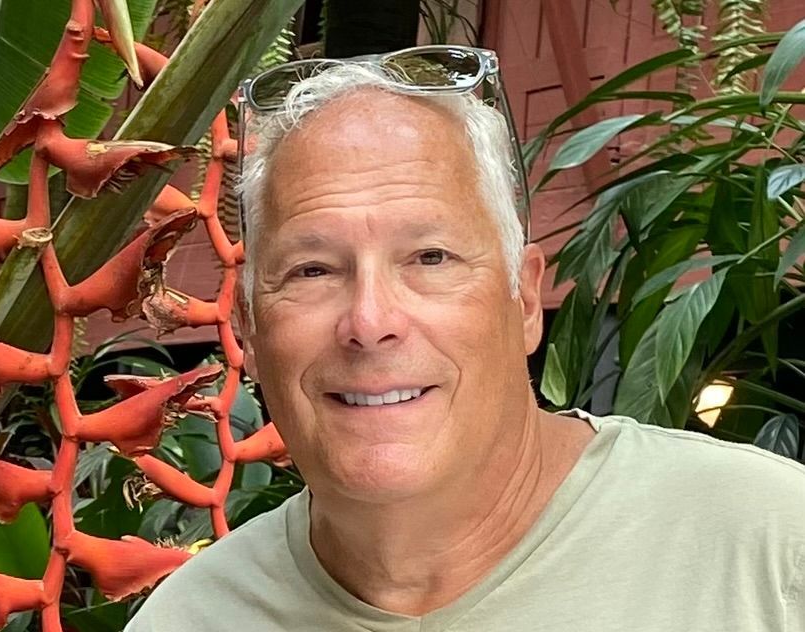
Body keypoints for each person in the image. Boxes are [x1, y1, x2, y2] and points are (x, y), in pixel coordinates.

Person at [125, 52, 805, 631]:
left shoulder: (770, 550)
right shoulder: (193, 618)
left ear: (525, 299)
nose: (369, 321)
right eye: (313, 270)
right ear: (248, 325)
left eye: (431, 258)